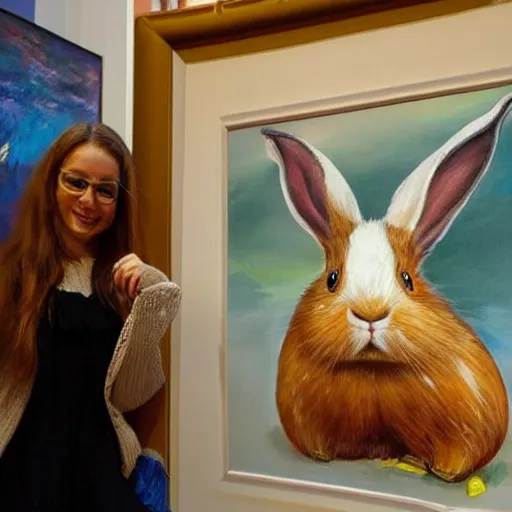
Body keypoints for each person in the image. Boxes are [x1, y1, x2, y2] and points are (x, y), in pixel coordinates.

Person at [0, 122, 181, 511]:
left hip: (99, 477)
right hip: (19, 475)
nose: (88, 201)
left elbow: (134, 394)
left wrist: (150, 301)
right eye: (76, 183)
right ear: (52, 185)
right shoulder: (11, 274)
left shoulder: (118, 281)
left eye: (105, 190)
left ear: (118, 201)